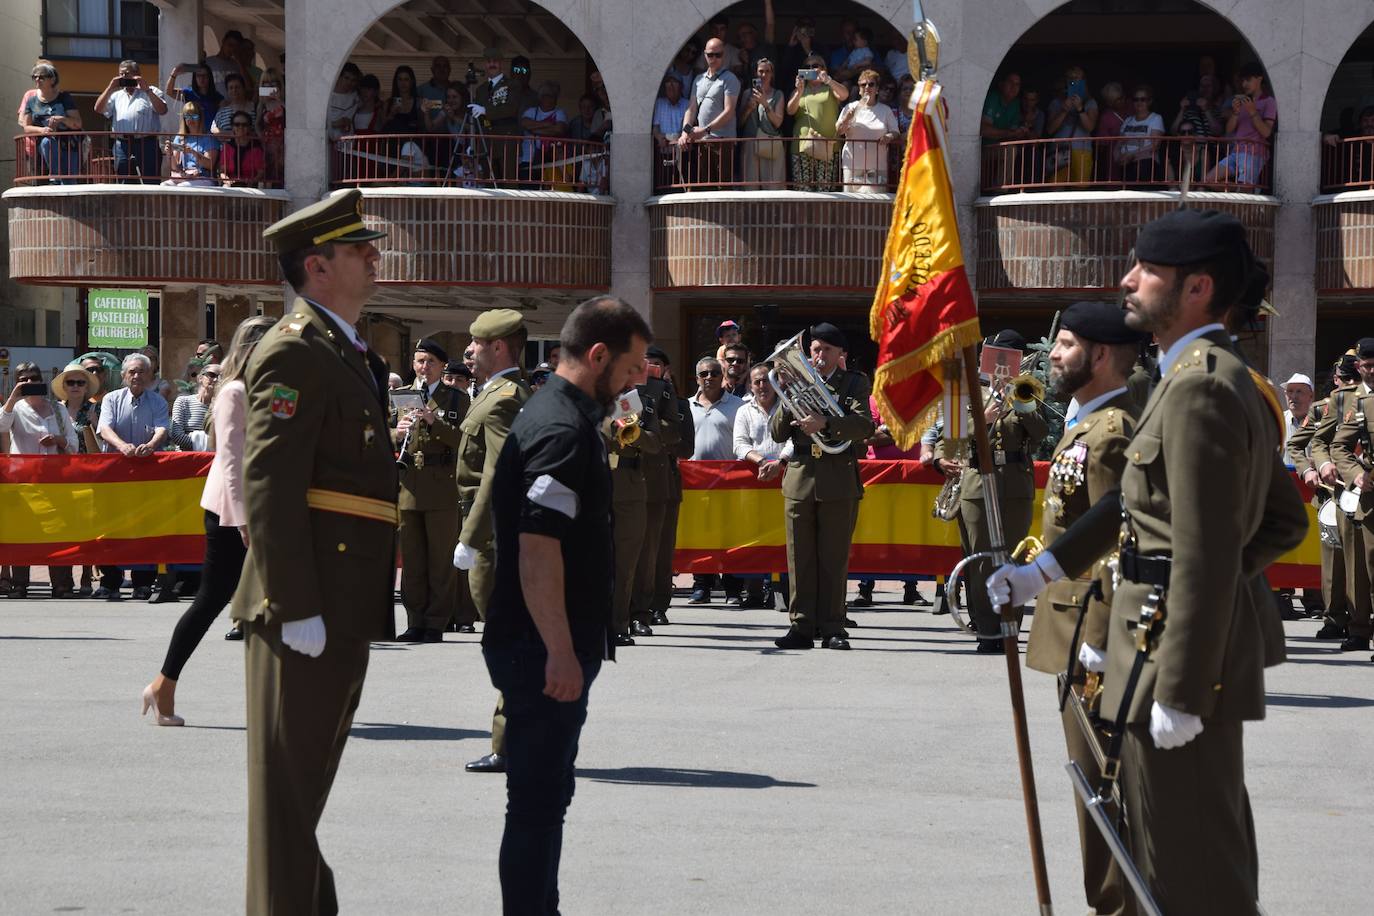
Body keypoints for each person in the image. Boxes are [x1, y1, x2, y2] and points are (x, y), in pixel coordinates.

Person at [989, 209, 1309, 911]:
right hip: (1154, 652)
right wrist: (1060, 574)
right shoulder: (1196, 374)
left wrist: (1184, 680)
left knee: (1194, 875)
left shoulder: (1200, 384)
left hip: (1171, 670)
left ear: (1197, 288)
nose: (1129, 281)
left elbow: (1205, 548)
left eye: (1147, 271)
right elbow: (1276, 522)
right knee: (1177, 860)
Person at [229, 189, 397, 914]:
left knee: (300, 795)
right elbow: (268, 484)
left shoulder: (341, 347)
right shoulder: (296, 349)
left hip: (338, 598)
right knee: (287, 800)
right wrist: (295, 603)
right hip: (306, 602)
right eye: (359, 249)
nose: (374, 257)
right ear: (318, 266)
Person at [481, 295, 651, 914]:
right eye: (631, 369)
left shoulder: (560, 414)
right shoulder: (558, 427)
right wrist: (558, 650)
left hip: (540, 641)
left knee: (543, 796)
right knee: (536, 801)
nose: (634, 383)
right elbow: (537, 548)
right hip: (538, 648)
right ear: (598, 354)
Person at [1020, 301, 1145, 916]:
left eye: (1065, 344)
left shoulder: (1114, 430)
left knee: (1104, 788)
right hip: (1072, 632)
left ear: (1099, 356)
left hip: (1095, 641)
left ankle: (1118, 908)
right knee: (1091, 785)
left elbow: (1121, 545)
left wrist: (1099, 637)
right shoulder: (1086, 422)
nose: (1054, 356)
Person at [141, 317, 275, 724]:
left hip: (267, 507)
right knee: (212, 599)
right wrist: (244, 522)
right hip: (232, 511)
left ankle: (283, 699)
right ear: (254, 347)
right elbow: (230, 460)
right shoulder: (234, 391)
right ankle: (163, 684)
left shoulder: (273, 388)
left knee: (276, 602)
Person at [938, 329, 1048, 652]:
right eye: (992, 355)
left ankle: (1009, 628)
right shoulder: (962, 385)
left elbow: (1040, 431)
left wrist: (1020, 398)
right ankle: (986, 631)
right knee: (980, 559)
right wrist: (981, 420)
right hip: (975, 481)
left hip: (1014, 481)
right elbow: (953, 437)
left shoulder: (1027, 388)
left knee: (1012, 557)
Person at [457, 310, 533, 775]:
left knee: (508, 644)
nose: (470, 351)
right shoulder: (496, 392)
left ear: (500, 347)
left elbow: (497, 474)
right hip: (494, 532)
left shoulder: (504, 398)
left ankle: (510, 745)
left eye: (477, 343)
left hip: (494, 538)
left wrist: (471, 536)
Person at [769, 323, 874, 649]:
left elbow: (863, 426)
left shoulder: (854, 382)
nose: (819, 356)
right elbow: (776, 433)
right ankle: (801, 626)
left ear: (839, 354)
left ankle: (832, 627)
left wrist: (826, 423)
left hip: (838, 479)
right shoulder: (795, 385)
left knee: (833, 558)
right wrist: (786, 396)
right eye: (814, 350)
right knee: (799, 559)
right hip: (799, 479)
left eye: (826, 350)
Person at [392, 338, 470, 642]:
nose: (424, 367)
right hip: (409, 485)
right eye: (420, 361)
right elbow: (378, 431)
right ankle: (415, 621)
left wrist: (433, 421)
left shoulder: (456, 399)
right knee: (412, 561)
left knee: (440, 561)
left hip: (442, 487)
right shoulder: (400, 396)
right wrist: (394, 432)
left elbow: (464, 441)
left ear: (441, 367)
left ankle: (436, 622)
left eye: (431, 363)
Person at [95, 353, 169, 601]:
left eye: (142, 372)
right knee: (110, 527)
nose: (137, 376)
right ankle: (110, 581)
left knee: (144, 527)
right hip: (115, 475)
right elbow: (105, 428)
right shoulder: (111, 399)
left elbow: (162, 427)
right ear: (124, 375)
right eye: (132, 372)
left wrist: (151, 444)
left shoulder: (158, 401)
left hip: (146, 475)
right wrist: (121, 446)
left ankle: (142, 582)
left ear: (150, 376)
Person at [1, 364, 79, 599]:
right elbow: (1, 426)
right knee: (24, 533)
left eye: (34, 378)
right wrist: (14, 397)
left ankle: (62, 584)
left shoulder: (57, 408)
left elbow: (73, 443)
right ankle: (20, 584)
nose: (29, 382)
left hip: (55, 481)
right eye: (23, 379)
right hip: (24, 481)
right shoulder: (15, 408)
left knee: (57, 532)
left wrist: (57, 440)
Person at [1307, 352, 1368, 642]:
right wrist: (1324, 464)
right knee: (1357, 561)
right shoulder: (1343, 399)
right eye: (1366, 366)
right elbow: (1322, 442)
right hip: (1356, 491)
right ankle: (1357, 626)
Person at [687, 356, 745, 605]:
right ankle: (702, 586)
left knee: (730, 536)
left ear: (722, 377)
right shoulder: (686, 406)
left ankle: (733, 588)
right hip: (696, 484)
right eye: (703, 374)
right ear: (696, 378)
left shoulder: (738, 406)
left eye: (713, 373)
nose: (709, 378)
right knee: (701, 535)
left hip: (729, 483)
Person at [1330, 337, 1374, 657]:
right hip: (1369, 497)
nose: (1372, 372)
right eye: (1367, 366)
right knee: (1367, 565)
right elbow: (1338, 446)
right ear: (1359, 367)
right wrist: (1354, 474)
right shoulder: (1358, 403)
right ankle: (1360, 627)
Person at [679, 37, 741, 186]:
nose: (714, 58)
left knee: (722, 189)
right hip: (702, 142)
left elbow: (729, 111)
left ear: (723, 55)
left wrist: (705, 130)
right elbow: (691, 108)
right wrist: (684, 132)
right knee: (703, 187)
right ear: (704, 55)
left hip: (723, 142)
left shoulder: (730, 79)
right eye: (710, 55)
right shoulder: (698, 80)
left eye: (718, 55)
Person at [94, 60, 168, 182]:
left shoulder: (152, 91)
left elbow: (163, 110)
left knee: (151, 181)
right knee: (124, 181)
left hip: (146, 143)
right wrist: (110, 87)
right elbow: (98, 109)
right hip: (122, 144)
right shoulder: (116, 95)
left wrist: (147, 90)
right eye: (120, 74)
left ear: (137, 74)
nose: (123, 77)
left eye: (126, 73)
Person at [1205, 62, 1276, 188]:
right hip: (1236, 152)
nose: (1244, 84)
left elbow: (1266, 132)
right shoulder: (1241, 100)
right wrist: (1236, 113)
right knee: (1209, 180)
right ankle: (1240, 190)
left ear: (1259, 79)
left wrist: (1253, 112)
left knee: (1245, 190)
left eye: (1248, 80)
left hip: (1255, 154)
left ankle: (1244, 191)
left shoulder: (1269, 101)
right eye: (1243, 80)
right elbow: (1229, 130)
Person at [787, 55, 848, 191]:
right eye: (807, 67)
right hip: (802, 146)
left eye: (815, 66)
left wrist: (829, 80)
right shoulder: (800, 90)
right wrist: (799, 91)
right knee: (803, 190)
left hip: (828, 146)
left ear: (823, 68)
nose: (811, 69)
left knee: (825, 190)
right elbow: (790, 110)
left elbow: (844, 95)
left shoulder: (830, 89)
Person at [837, 69, 900, 192]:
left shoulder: (886, 110)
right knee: (852, 204)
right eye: (863, 84)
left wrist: (889, 136)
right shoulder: (850, 107)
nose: (867, 87)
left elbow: (895, 131)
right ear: (859, 89)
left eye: (871, 84)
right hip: (852, 165)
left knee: (875, 204)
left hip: (877, 167)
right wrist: (846, 119)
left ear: (877, 89)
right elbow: (839, 131)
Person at [20, 63, 82, 183]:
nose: (37, 79)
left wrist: (62, 119)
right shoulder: (31, 101)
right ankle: (54, 175)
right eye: (35, 77)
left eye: (42, 77)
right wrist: (42, 130)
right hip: (45, 148)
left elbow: (78, 123)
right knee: (47, 142)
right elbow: (26, 127)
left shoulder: (64, 97)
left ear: (52, 79)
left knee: (69, 184)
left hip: (68, 145)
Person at [737, 57, 785, 188]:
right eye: (760, 71)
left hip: (770, 142)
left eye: (767, 71)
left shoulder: (778, 94)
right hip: (750, 141)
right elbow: (740, 123)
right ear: (755, 73)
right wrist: (749, 108)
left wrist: (765, 104)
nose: (764, 75)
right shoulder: (747, 93)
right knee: (750, 186)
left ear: (772, 74)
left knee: (773, 187)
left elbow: (778, 122)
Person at [1045, 65, 1099, 183]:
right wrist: (1064, 110)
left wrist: (1080, 109)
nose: (1074, 80)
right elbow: (1050, 129)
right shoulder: (1056, 102)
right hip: (1058, 149)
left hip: (1082, 149)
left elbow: (1090, 127)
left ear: (1084, 81)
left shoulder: (1090, 102)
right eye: (1070, 78)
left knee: (1079, 188)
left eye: (1077, 78)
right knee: (1056, 186)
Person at [1115, 84, 1164, 184]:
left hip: (1145, 164)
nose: (1139, 102)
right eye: (1136, 99)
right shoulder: (1128, 120)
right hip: (1125, 163)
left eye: (1143, 99)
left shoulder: (1156, 118)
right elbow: (1119, 143)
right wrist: (1117, 158)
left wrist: (1132, 155)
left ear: (1149, 101)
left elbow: (1155, 145)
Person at [161, 101, 218, 186]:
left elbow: (210, 165)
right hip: (184, 176)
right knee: (164, 186)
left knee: (183, 187)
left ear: (200, 118)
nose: (190, 119)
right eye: (187, 116)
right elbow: (175, 167)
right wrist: (170, 154)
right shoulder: (180, 138)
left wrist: (192, 152)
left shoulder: (208, 138)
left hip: (203, 177)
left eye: (194, 116)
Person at [168, 362, 218, 450]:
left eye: (220, 376)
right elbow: (176, 435)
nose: (215, 379)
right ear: (200, 378)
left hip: (212, 459)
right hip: (187, 458)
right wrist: (204, 446)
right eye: (212, 375)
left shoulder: (222, 406)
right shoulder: (183, 401)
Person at [219, 114, 267, 186]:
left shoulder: (256, 148)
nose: (241, 127)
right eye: (237, 124)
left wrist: (252, 181)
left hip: (251, 186)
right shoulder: (227, 147)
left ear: (249, 127)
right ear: (232, 127)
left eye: (244, 125)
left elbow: (261, 172)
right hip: (231, 184)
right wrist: (227, 180)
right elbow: (222, 171)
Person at [256, 68, 285, 182]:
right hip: (267, 143)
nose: (269, 87)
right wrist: (261, 138)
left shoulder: (286, 102)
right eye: (266, 84)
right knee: (269, 173)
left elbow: (292, 118)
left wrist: (280, 100)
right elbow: (257, 124)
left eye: (273, 83)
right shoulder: (262, 105)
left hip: (283, 143)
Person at [203, 28, 246, 96]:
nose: (232, 49)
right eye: (230, 45)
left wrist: (240, 62)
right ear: (223, 41)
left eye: (235, 47)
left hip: (233, 105)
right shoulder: (207, 62)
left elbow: (247, 86)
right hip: (213, 105)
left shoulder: (237, 65)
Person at [1280, 373, 1314, 451]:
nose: (1294, 396)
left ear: (1311, 396)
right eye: (1290, 391)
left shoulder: (1320, 423)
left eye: (1299, 391)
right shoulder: (1278, 421)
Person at [327, 63, 361, 142]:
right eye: (346, 78)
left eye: (353, 80)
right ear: (338, 77)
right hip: (327, 143)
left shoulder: (356, 97)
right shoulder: (326, 97)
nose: (349, 83)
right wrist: (334, 124)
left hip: (347, 145)